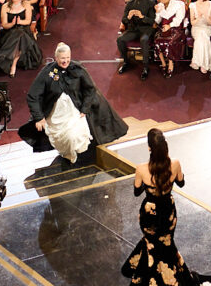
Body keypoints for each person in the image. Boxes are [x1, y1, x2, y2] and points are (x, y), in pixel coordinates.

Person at [22, 42, 127, 162]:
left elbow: (90, 89)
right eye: (62, 58)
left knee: (74, 137)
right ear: (56, 58)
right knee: (62, 138)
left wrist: (85, 108)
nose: (65, 61)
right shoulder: (47, 72)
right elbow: (33, 95)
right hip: (56, 113)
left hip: (75, 110)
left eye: (68, 58)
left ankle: (74, 156)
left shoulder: (78, 69)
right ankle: (67, 154)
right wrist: (39, 117)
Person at [121, 128, 195, 286]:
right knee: (166, 241)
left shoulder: (141, 168)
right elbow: (181, 183)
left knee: (151, 241)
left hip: (149, 213)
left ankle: (149, 270)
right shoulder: (175, 163)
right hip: (168, 210)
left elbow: (137, 192)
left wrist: (148, 184)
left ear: (149, 148)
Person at [117, 0, 156, 79]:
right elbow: (124, 20)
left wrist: (142, 17)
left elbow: (152, 21)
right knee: (120, 39)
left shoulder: (150, 3)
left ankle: (146, 67)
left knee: (144, 40)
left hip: (146, 29)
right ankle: (126, 62)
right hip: (133, 29)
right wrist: (129, 17)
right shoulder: (130, 3)